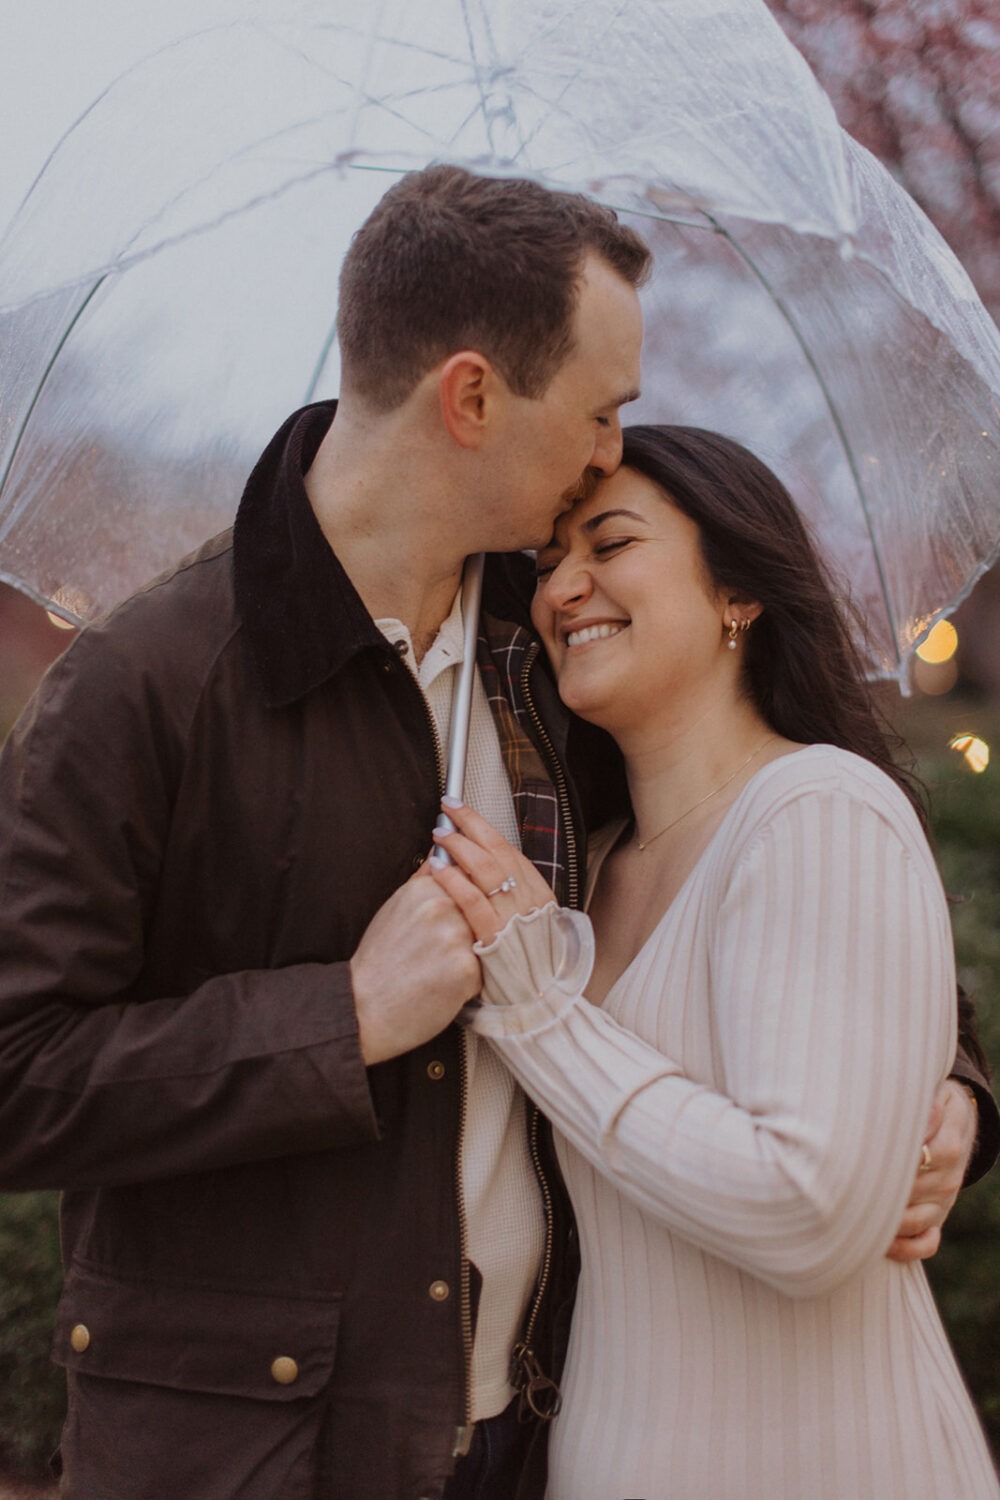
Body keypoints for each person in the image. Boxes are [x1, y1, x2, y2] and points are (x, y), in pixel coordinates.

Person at [0, 169, 991, 1500]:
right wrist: (337, 1018)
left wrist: (957, 1098)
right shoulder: (148, 681)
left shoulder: (564, 652)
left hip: (547, 1429)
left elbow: (789, 894)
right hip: (255, 1453)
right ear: (471, 398)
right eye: (599, 410)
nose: (608, 450)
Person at [429, 423, 1000, 1499]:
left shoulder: (818, 811)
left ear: (736, 588)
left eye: (611, 543)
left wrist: (538, 1006)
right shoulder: (580, 868)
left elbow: (807, 1208)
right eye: (548, 564)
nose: (565, 590)